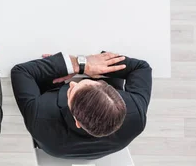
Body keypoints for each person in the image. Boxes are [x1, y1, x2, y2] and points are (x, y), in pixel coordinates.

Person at [11, 51, 152, 160]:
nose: (73, 82)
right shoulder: (136, 116)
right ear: (110, 90)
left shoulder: (40, 117)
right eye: (87, 82)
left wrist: (79, 65)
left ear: (77, 122)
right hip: (100, 147)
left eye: (71, 91)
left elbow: (21, 71)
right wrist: (88, 67)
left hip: (56, 146)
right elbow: (142, 68)